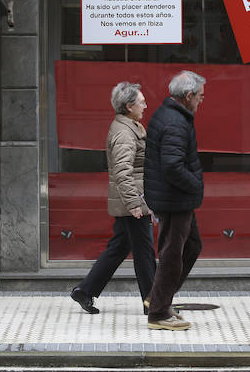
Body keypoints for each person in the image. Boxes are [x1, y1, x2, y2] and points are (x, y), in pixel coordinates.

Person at [71, 82, 156, 315]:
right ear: (129, 106)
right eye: (141, 102)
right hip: (133, 202)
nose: (145, 105)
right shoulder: (124, 133)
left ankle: (85, 291)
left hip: (132, 200)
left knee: (120, 247)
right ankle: (153, 301)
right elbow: (122, 170)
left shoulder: (129, 127)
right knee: (145, 253)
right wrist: (134, 204)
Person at [143, 70, 206, 331]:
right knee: (172, 254)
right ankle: (158, 312)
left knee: (191, 246)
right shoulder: (175, 122)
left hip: (174, 198)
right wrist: (196, 184)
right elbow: (171, 166)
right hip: (174, 200)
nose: (201, 101)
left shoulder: (170, 115)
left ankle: (158, 299)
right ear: (188, 95)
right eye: (200, 96)